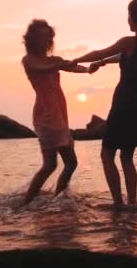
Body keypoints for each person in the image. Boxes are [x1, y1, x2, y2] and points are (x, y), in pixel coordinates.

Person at [72, 0, 137, 207]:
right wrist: (103, 63)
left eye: (129, 15)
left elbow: (103, 51)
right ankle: (132, 203)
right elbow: (122, 57)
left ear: (136, 18)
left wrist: (74, 60)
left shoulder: (129, 42)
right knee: (126, 157)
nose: (127, 20)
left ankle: (118, 203)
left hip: (126, 102)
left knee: (107, 154)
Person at [21, 19, 90, 205]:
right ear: (33, 39)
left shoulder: (55, 60)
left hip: (59, 115)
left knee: (70, 163)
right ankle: (27, 203)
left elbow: (73, 67)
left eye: (48, 36)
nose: (46, 39)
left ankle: (58, 199)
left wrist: (89, 69)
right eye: (43, 36)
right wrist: (62, 64)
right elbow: (43, 68)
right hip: (46, 116)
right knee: (50, 164)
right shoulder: (29, 60)